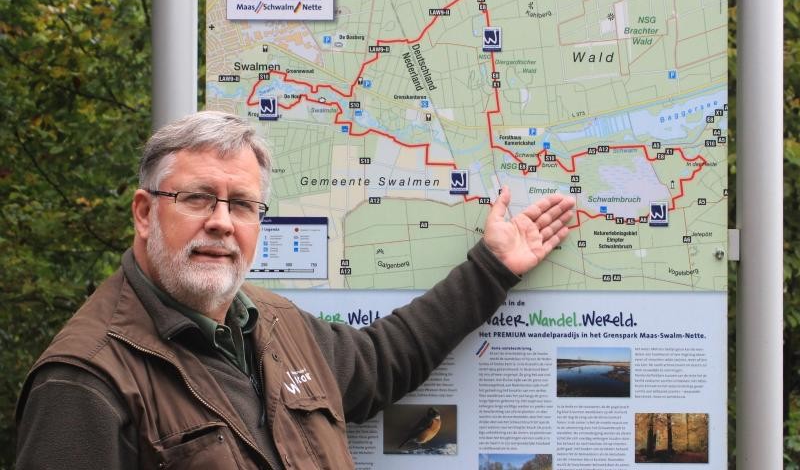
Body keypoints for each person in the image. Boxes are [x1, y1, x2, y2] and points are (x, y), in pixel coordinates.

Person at [15, 111, 574, 469]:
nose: (222, 222)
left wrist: (492, 267)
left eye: (242, 205)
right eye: (197, 199)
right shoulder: (86, 379)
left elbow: (383, 360)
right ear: (144, 213)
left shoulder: (271, 321)